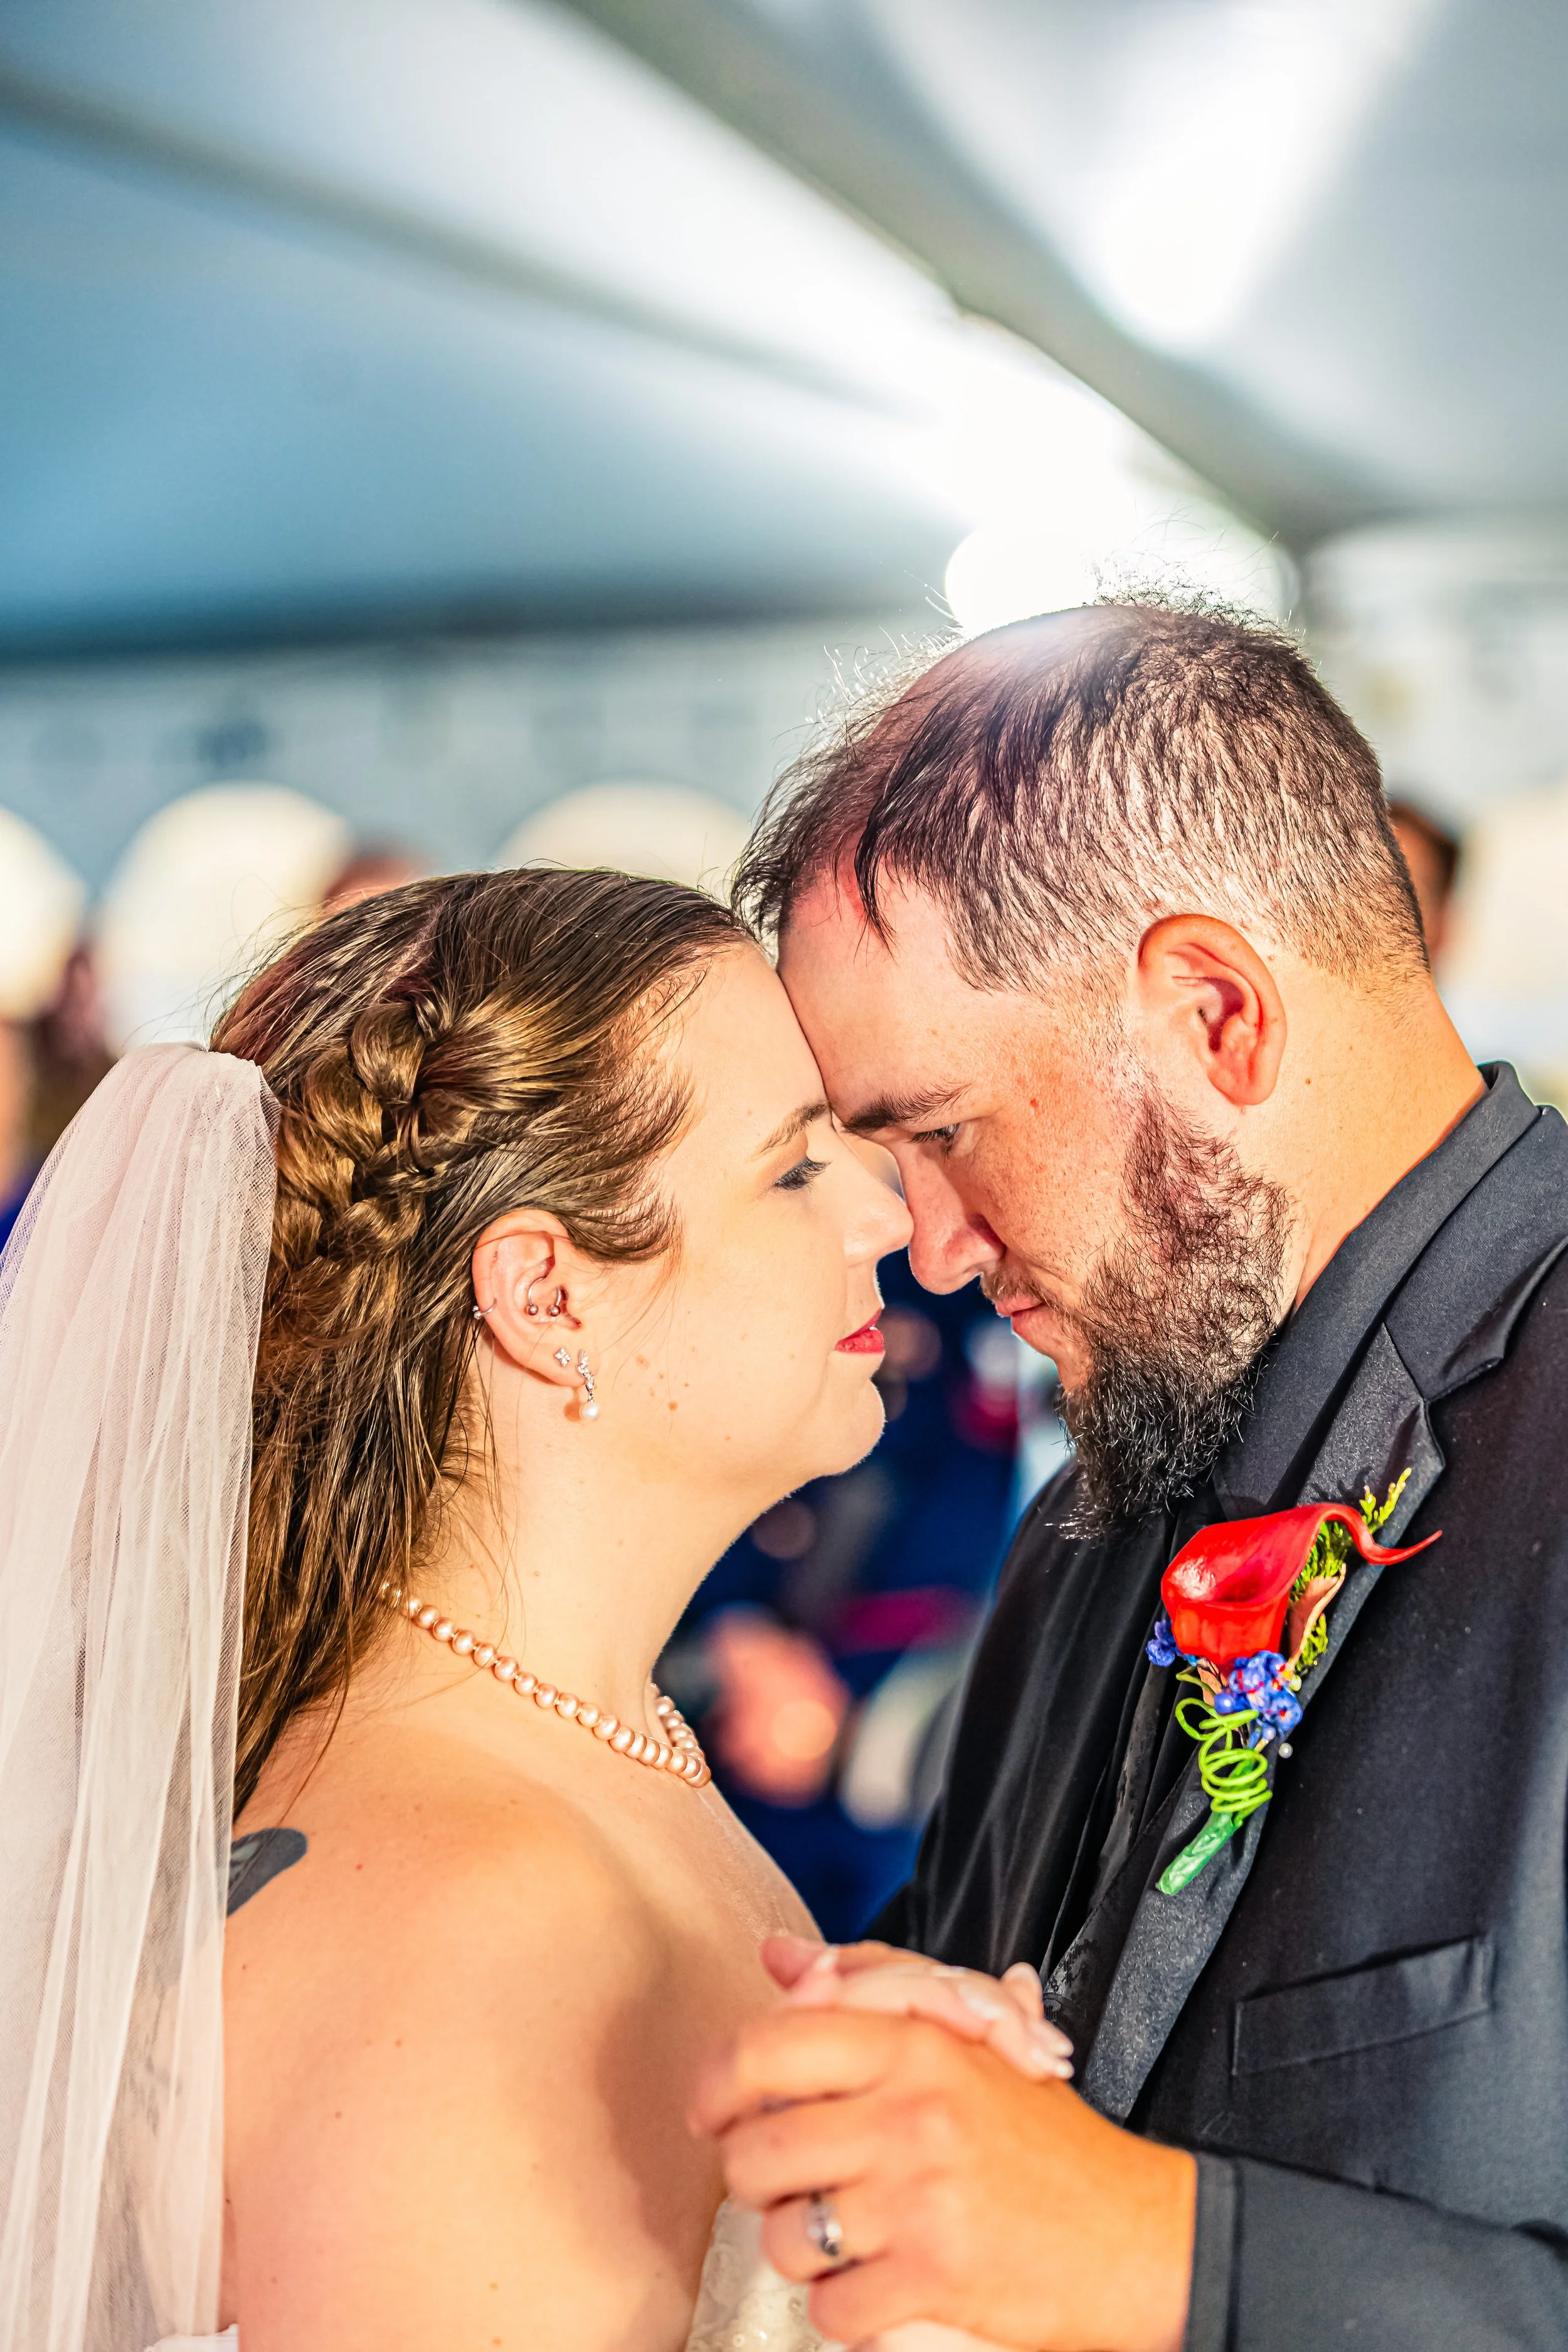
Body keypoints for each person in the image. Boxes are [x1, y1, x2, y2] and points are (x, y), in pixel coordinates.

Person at [0, 863, 1061, 2352]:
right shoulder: (484, 1935)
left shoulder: (569, 1756)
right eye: (790, 1168)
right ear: (545, 1296)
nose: (884, 1215)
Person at [696, 599, 1568, 2351]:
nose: (925, 1249)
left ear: (1214, 1013)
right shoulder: (1083, 1531)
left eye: (938, 1131)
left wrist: (1171, 2258)